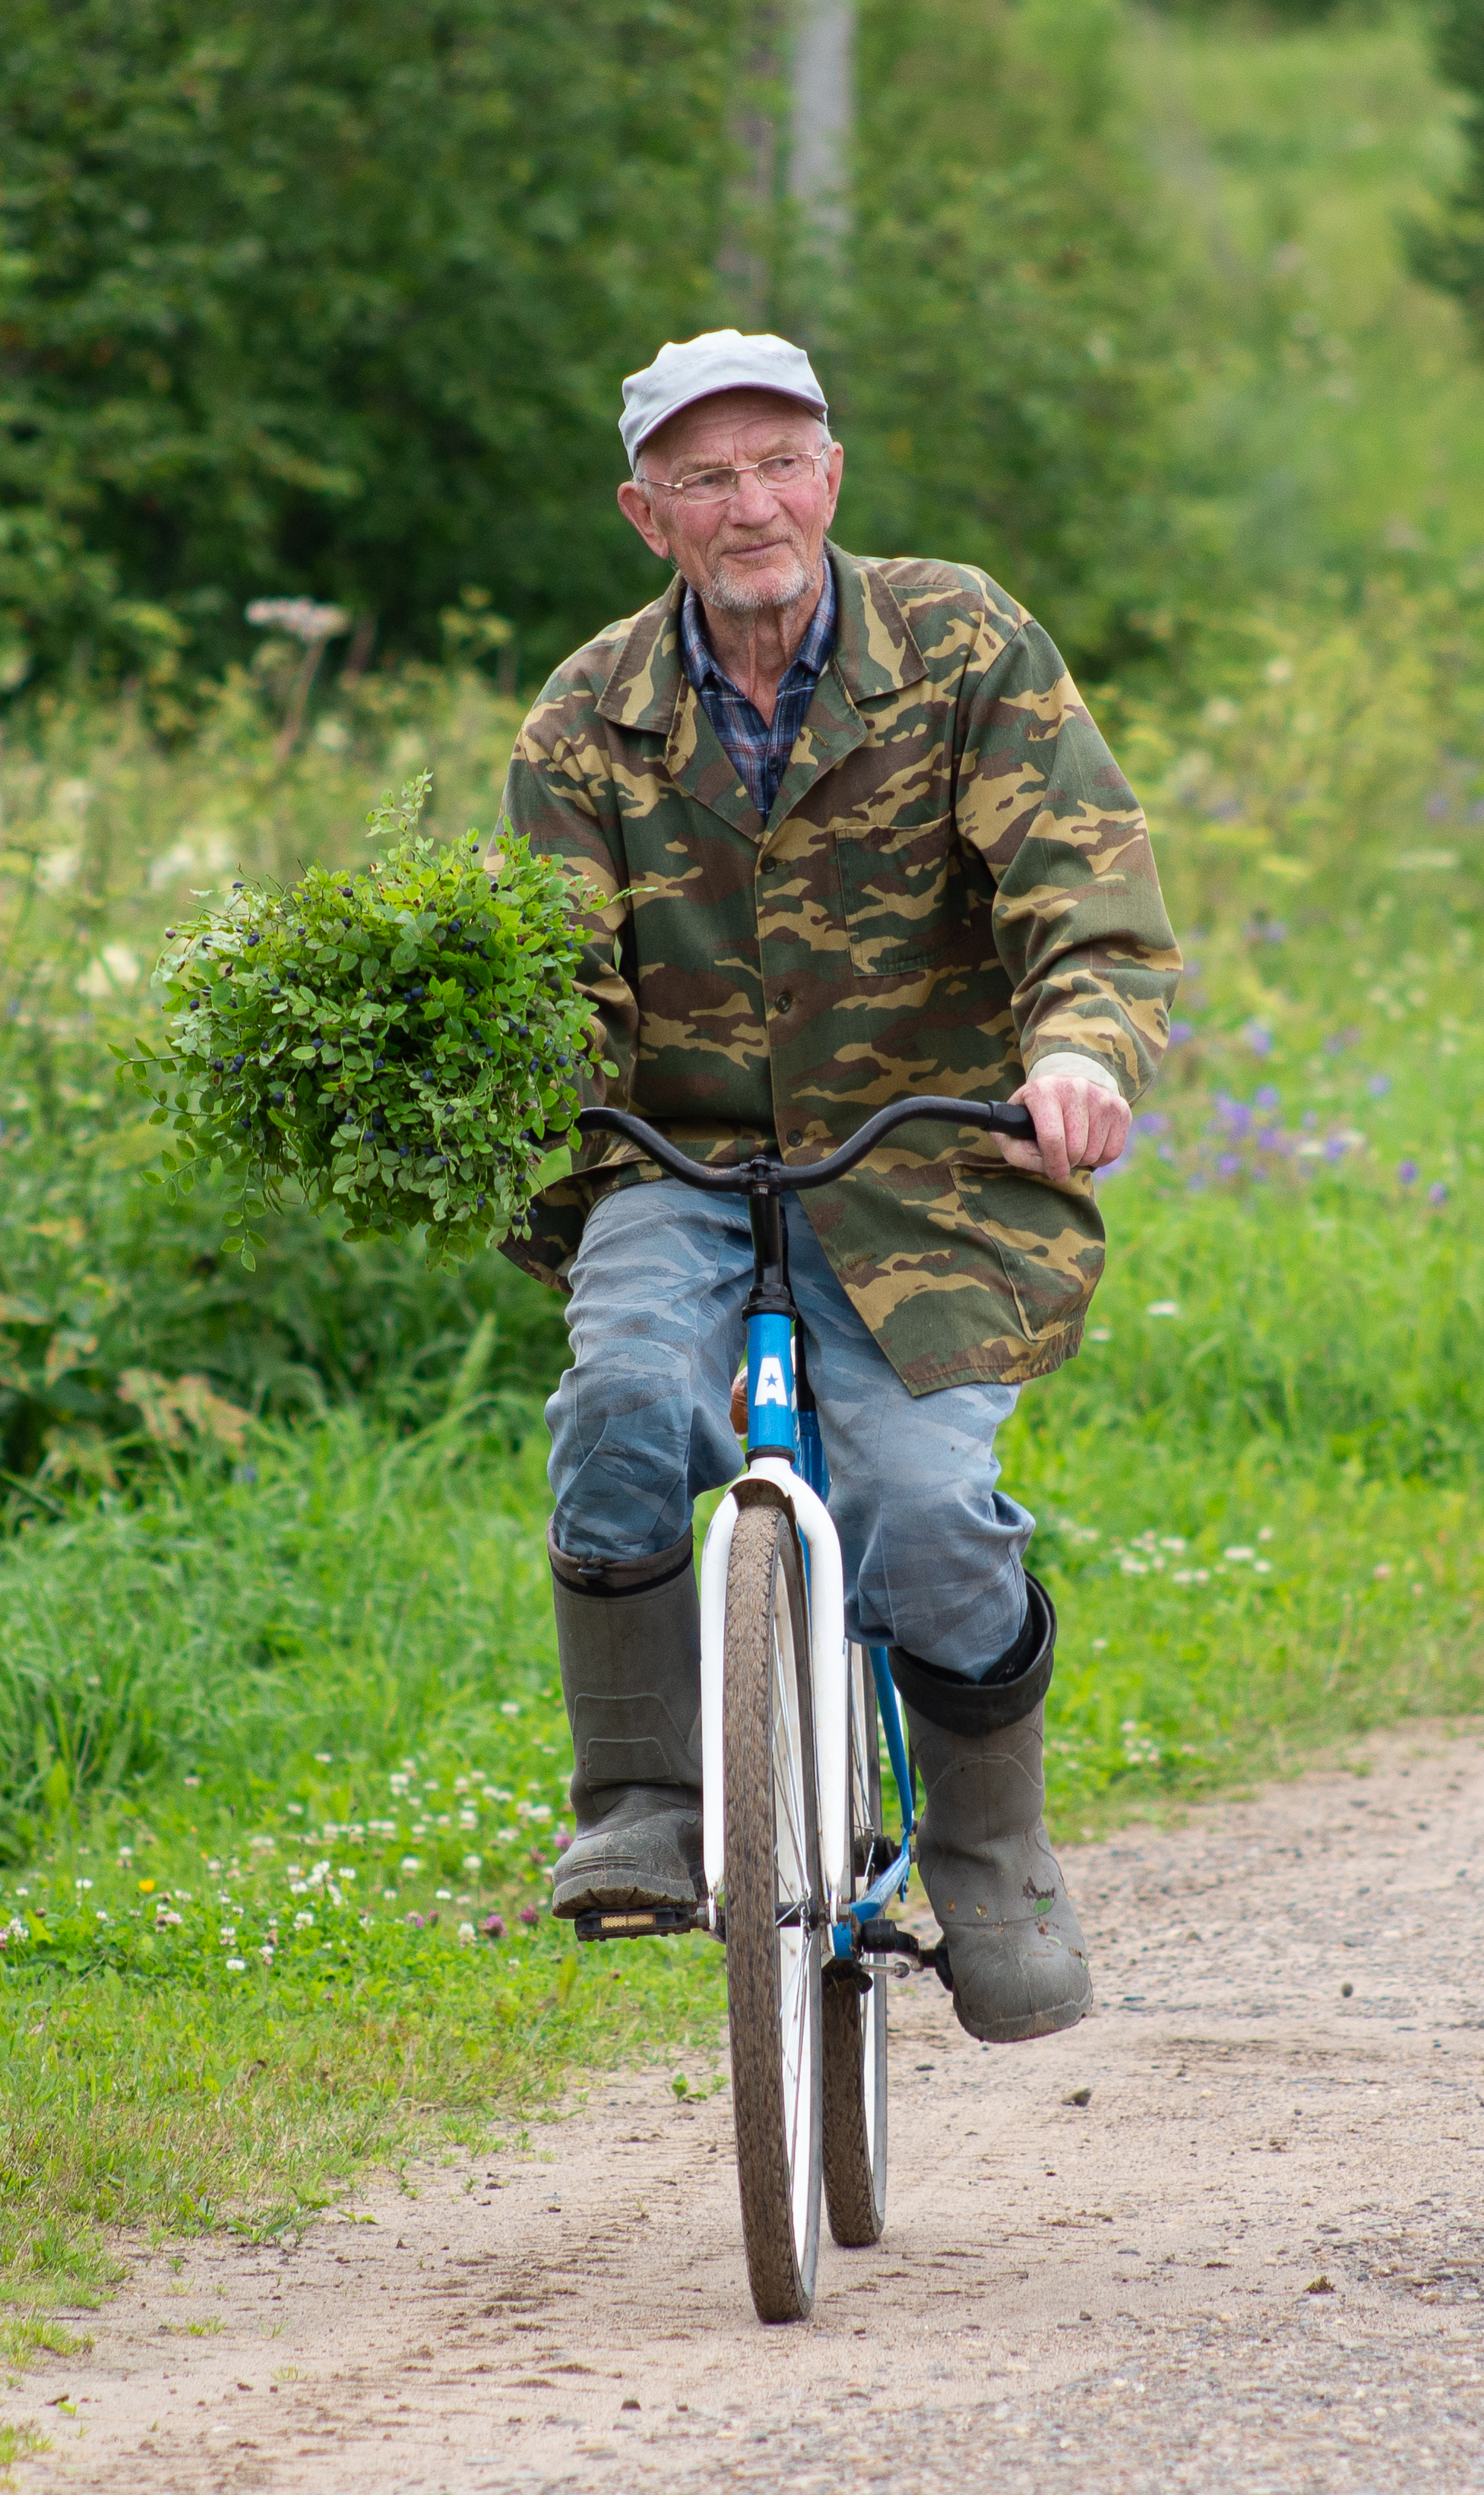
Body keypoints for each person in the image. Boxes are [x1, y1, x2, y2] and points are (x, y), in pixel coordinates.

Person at [495, 329, 1179, 2045]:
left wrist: (1080, 1051)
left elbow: (1081, 893)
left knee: (927, 1513)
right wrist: (502, 1084)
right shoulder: (587, 715)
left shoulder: (959, 642)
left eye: (780, 463)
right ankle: (642, 1798)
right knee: (626, 1403)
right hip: (681, 1155)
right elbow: (551, 971)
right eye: (708, 478)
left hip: (930, 1159)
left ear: (833, 474)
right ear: (646, 513)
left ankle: (994, 1843)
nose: (753, 506)